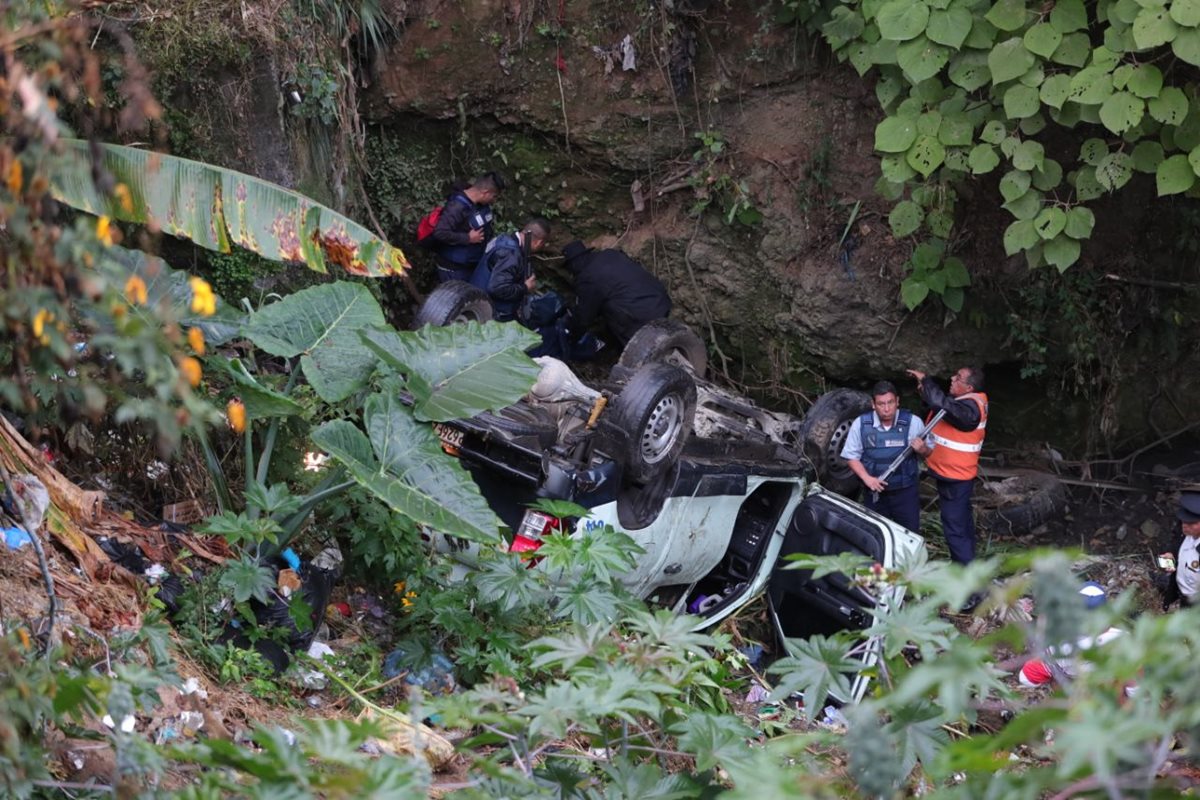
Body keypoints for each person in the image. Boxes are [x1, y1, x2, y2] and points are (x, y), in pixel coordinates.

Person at [907, 366, 988, 566]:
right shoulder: (964, 403)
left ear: (968, 387)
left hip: (956, 479)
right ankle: (970, 575)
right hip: (952, 476)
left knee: (956, 532)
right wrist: (924, 392)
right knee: (963, 528)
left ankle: (969, 591)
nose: (952, 378)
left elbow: (941, 404)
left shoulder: (970, 410)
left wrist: (926, 380)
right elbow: (936, 408)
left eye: (958, 377)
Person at [840, 380, 924, 532]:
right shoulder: (861, 424)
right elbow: (851, 456)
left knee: (909, 535)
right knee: (875, 536)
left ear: (897, 401)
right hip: (875, 493)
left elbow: (930, 453)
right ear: (873, 404)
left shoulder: (913, 423)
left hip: (906, 494)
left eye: (890, 403)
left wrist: (923, 449)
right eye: (881, 404)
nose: (886, 409)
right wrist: (867, 478)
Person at [559, 240, 672, 347]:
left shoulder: (587, 278)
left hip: (639, 317)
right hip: (660, 300)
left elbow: (584, 318)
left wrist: (572, 335)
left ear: (573, 265)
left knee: (643, 351)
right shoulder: (610, 254)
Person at [430, 172, 505, 283]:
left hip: (470, 266)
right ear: (485, 192)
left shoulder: (479, 204)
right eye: (494, 197)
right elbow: (440, 232)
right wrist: (468, 238)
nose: (494, 201)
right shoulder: (456, 207)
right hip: (453, 269)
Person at [476, 217, 551, 323]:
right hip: (490, 312)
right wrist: (525, 287)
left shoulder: (504, 238)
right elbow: (497, 288)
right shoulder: (511, 254)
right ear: (539, 242)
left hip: (477, 298)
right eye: (543, 244)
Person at [1157, 491, 1200, 608]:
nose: (1185, 526)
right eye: (1184, 521)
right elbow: (1168, 552)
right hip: (1182, 598)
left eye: (1191, 523)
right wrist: (1166, 561)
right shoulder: (1183, 536)